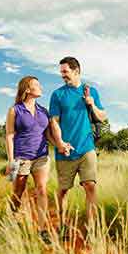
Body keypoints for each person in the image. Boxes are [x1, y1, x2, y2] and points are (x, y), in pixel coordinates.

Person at [49, 57, 107, 233]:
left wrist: (92, 105)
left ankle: (91, 229)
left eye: (65, 72)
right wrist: (59, 143)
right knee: (63, 191)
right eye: (61, 72)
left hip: (87, 147)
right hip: (65, 151)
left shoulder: (91, 92)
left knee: (90, 186)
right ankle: (62, 225)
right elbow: (54, 122)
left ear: (76, 71)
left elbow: (103, 117)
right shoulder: (57, 94)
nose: (62, 76)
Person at [5, 76, 54, 245]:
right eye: (37, 85)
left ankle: (42, 229)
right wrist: (11, 160)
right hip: (22, 157)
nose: (41, 88)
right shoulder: (15, 110)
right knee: (18, 191)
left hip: (41, 156)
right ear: (27, 89)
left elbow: (48, 134)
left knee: (41, 189)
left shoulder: (43, 111)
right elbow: (10, 135)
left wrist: (60, 146)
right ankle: (12, 217)